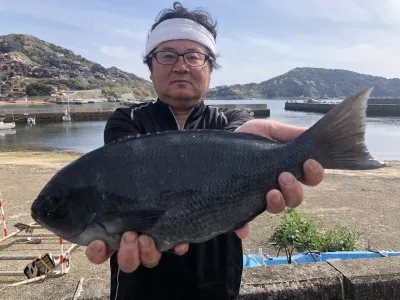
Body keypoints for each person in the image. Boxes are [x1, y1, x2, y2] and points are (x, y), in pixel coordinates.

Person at [85, 2, 324, 299]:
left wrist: (293, 156)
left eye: (194, 56)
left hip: (219, 285)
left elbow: (234, 148)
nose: (181, 66)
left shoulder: (233, 122)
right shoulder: (127, 122)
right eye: (168, 55)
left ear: (210, 68)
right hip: (139, 288)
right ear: (150, 68)